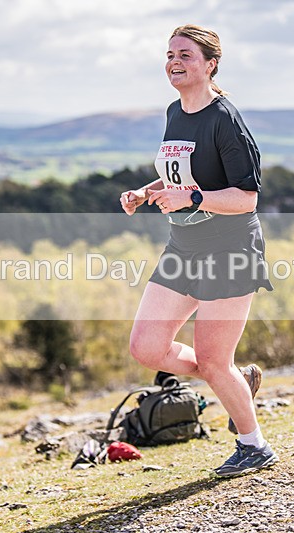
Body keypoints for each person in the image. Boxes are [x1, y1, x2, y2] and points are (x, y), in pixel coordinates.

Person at [119, 24, 277, 477]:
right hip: (183, 247)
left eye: (186, 55)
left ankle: (254, 445)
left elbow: (246, 197)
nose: (175, 61)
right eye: (170, 54)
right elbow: (181, 176)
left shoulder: (225, 119)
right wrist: (145, 191)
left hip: (229, 249)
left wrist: (190, 198)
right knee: (147, 347)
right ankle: (236, 383)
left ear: (209, 64)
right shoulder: (175, 111)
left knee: (212, 359)